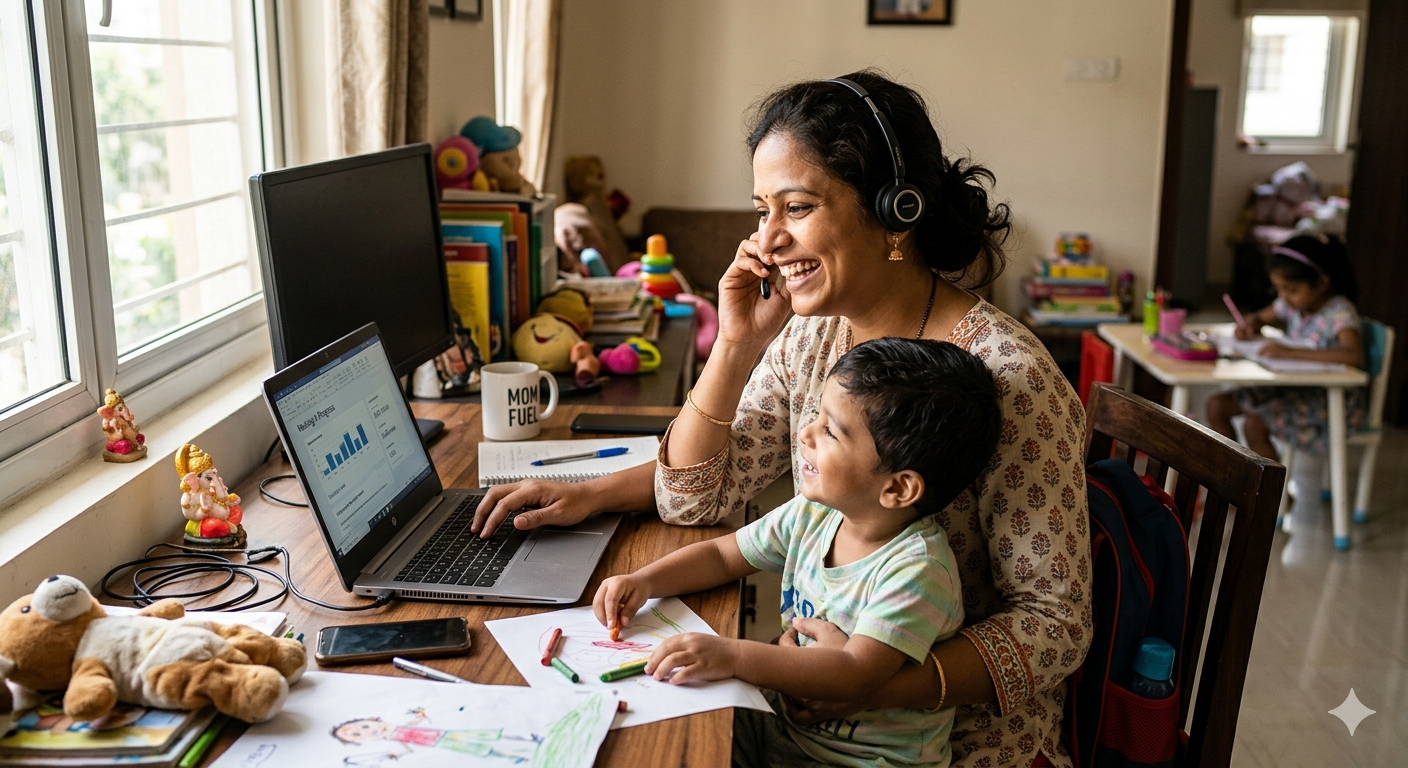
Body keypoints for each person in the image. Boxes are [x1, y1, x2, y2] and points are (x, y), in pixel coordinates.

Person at [475, 70, 1092, 766]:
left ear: (894, 208)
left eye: (795, 208)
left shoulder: (1012, 379)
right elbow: (701, 494)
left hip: (948, 740)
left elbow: (1054, 626)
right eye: (761, 210)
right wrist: (735, 345)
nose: (766, 242)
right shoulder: (813, 335)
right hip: (810, 717)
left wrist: (883, 685)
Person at [595, 338, 1001, 768]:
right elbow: (722, 555)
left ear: (898, 488)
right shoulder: (815, 512)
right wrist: (644, 581)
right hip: (785, 726)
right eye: (818, 416)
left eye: (830, 430)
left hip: (860, 761)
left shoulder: (918, 569)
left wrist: (733, 655)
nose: (805, 433)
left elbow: (853, 673)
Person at [1207, 235, 1364, 462]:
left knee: (1255, 425)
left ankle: (1272, 497)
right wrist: (1249, 324)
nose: (1284, 298)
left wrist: (1288, 352)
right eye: (1278, 290)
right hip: (1290, 388)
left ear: (1321, 283)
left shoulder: (1339, 313)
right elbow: (1260, 316)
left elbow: (1354, 355)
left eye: (1290, 290)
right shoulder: (1294, 304)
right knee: (1217, 406)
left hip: (1325, 402)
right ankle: (1232, 476)